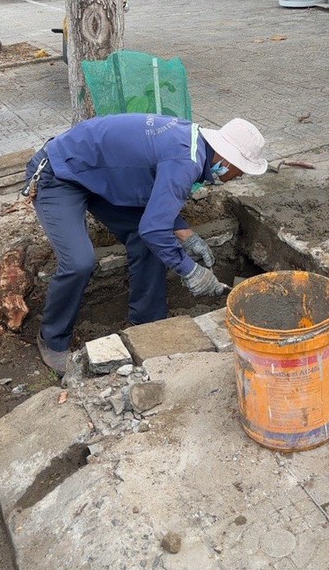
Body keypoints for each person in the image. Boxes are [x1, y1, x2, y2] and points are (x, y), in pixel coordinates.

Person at [24, 115, 268, 376]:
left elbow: (157, 198)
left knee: (145, 241)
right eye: (240, 171)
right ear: (226, 160)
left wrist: (186, 235)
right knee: (79, 262)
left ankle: (147, 324)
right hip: (61, 173)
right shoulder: (185, 161)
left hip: (101, 174)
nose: (237, 177)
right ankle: (52, 340)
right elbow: (154, 227)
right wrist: (190, 270)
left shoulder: (193, 144)